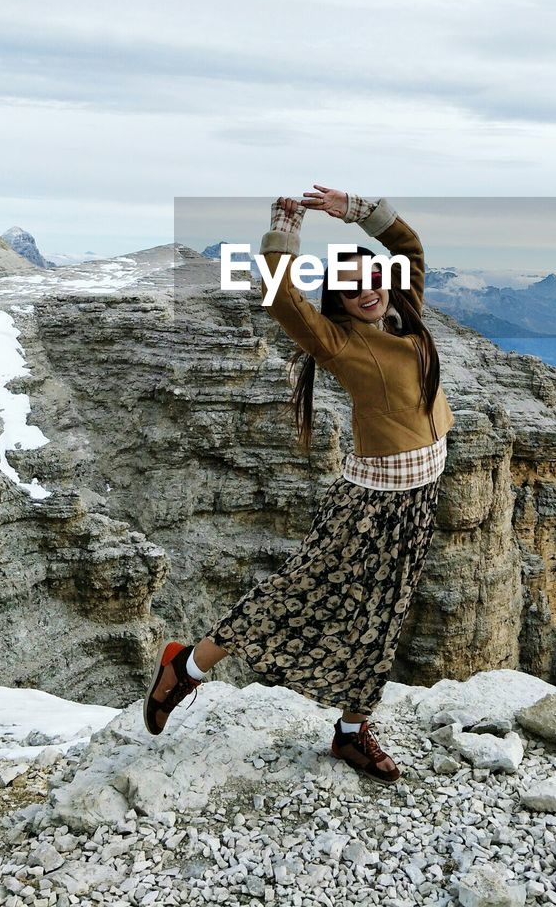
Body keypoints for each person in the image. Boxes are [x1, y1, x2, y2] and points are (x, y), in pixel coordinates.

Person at [143, 185, 455, 785]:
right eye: (354, 285)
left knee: (383, 618)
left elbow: (408, 245)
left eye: (376, 280)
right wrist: (286, 223)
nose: (370, 291)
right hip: (371, 506)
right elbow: (277, 291)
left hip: (419, 500)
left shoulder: (407, 314)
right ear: (337, 296)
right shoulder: (337, 341)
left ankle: (350, 732)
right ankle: (187, 666)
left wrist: (358, 210)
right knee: (300, 593)